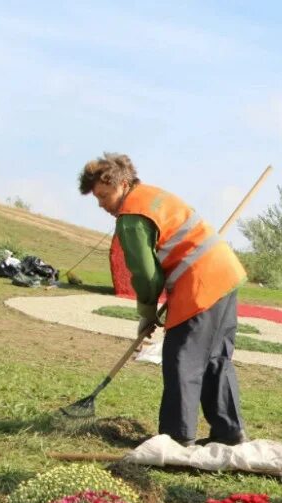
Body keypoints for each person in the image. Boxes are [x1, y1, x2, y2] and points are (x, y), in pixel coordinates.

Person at [78, 153, 248, 447]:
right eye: (97, 199)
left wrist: (146, 312)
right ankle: (229, 431)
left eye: (104, 196)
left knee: (182, 359)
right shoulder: (152, 195)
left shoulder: (131, 217)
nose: (102, 205)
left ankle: (176, 438)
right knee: (216, 358)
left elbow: (145, 274)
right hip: (226, 275)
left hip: (201, 284)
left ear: (122, 183)